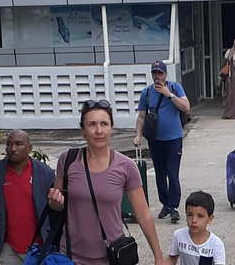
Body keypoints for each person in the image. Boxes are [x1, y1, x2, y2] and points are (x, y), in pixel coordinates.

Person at [48, 100, 164, 265]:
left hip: (111, 256)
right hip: (71, 256)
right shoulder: (67, 160)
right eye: (91, 124)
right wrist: (54, 202)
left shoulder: (126, 166)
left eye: (104, 124)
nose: (98, 131)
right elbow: (58, 204)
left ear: (111, 128)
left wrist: (158, 257)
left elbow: (143, 214)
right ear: (83, 129)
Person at [0, 130, 55, 264]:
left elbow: (54, 211)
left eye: (19, 144)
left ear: (29, 148)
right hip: (9, 248)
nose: (13, 149)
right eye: (9, 144)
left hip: (37, 248)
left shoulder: (44, 173)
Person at [134, 60, 191, 222]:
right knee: (160, 174)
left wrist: (169, 95)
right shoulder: (146, 93)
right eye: (155, 73)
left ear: (166, 74)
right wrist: (137, 135)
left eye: (160, 73)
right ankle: (165, 204)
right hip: (156, 140)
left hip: (173, 139)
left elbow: (186, 106)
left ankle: (173, 206)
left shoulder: (174, 88)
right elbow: (141, 116)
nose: (157, 76)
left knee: (173, 174)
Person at [165, 191, 225, 265]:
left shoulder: (216, 244)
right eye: (190, 215)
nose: (194, 220)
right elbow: (172, 258)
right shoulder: (178, 235)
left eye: (200, 216)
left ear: (210, 219)